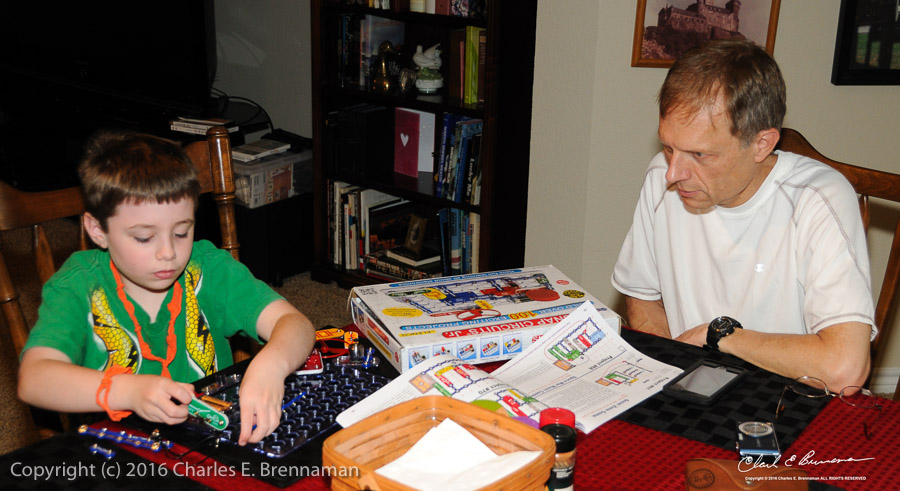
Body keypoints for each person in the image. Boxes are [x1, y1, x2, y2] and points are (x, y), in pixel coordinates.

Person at [18, 131, 316, 445]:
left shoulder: (209, 268)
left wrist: (271, 365)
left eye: (181, 232)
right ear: (97, 230)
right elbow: (34, 378)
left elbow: (296, 324)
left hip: (213, 440)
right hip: (119, 450)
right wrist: (126, 391)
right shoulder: (78, 285)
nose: (168, 252)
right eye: (144, 238)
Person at [611, 39, 875, 391]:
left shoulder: (818, 199)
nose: (673, 173)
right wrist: (669, 372)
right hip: (693, 387)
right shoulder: (662, 175)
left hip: (785, 397)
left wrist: (718, 335)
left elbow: (845, 369)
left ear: (762, 144)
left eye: (700, 155)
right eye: (669, 147)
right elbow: (641, 293)